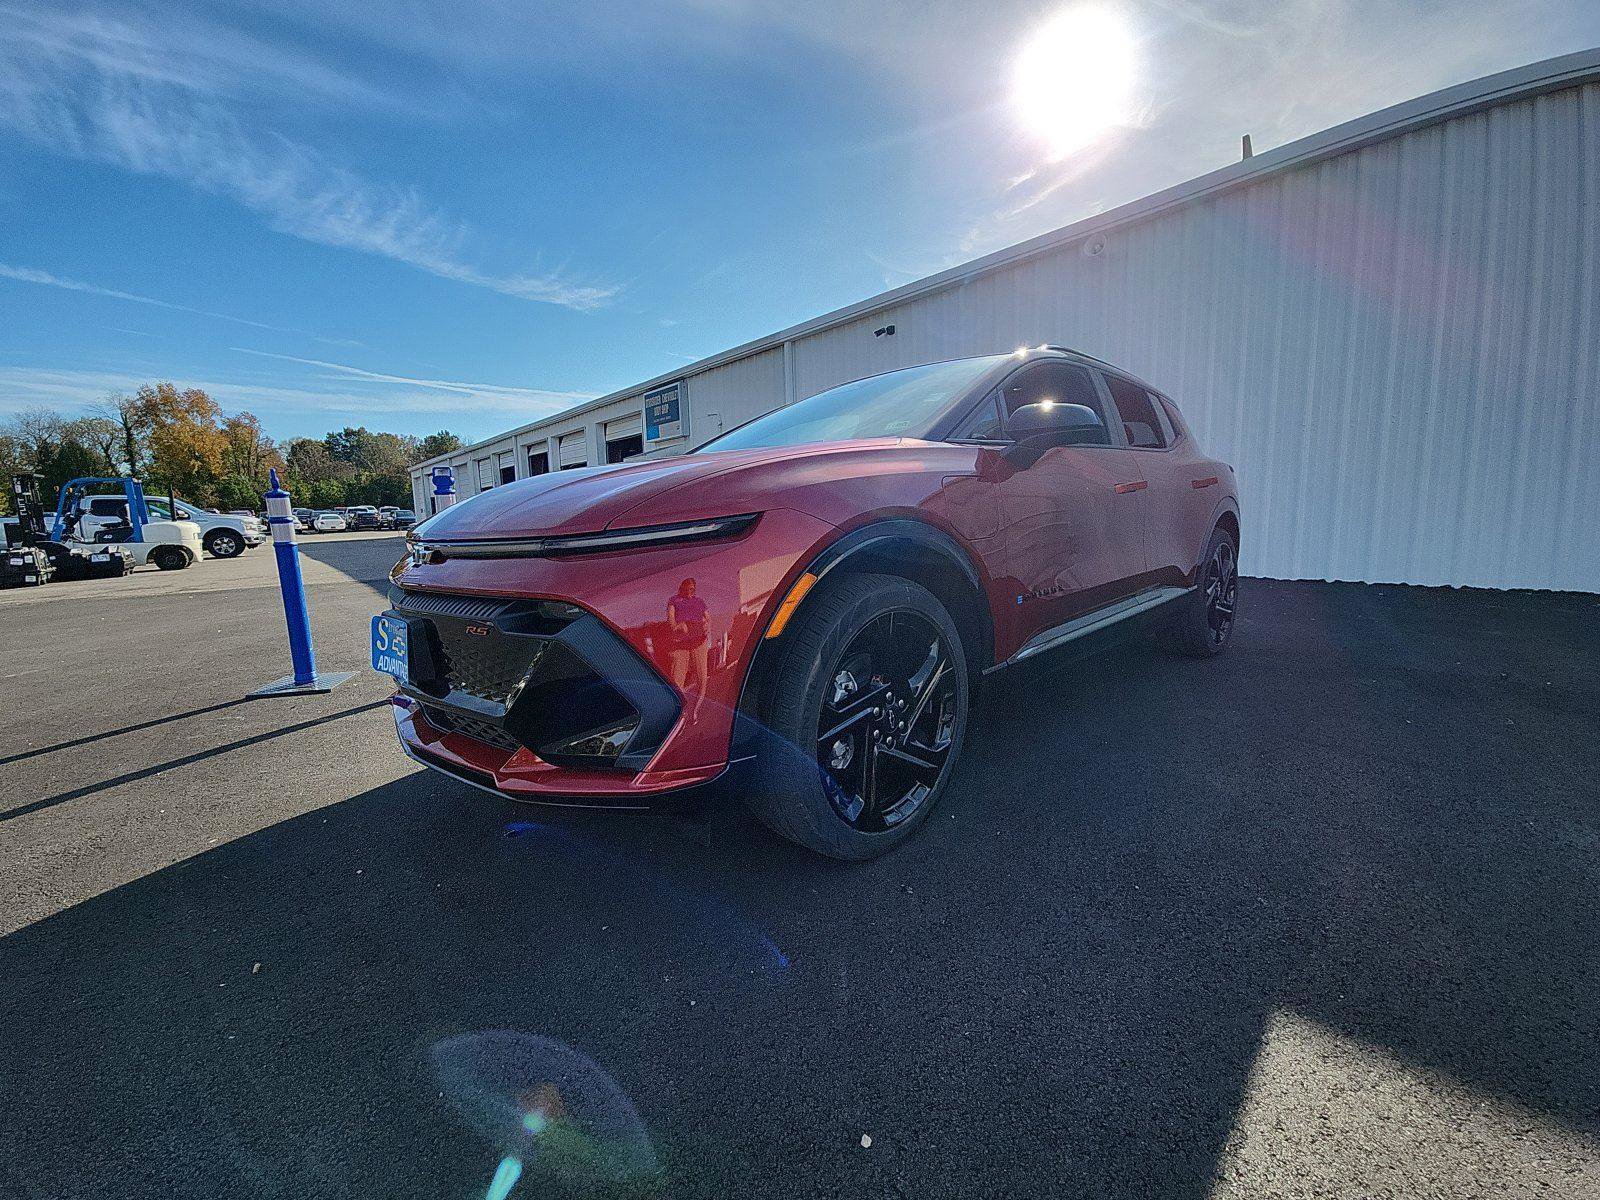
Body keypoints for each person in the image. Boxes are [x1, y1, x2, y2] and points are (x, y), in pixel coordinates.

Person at [667, 578, 709, 719]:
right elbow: (671, 620)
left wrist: (706, 626)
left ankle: (695, 711)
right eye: (688, 589)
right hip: (681, 643)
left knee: (702, 678)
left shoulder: (699, 601)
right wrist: (678, 627)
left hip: (699, 641)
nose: (690, 592)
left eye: (693, 589)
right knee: (677, 680)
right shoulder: (674, 600)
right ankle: (679, 714)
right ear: (682, 588)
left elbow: (707, 619)